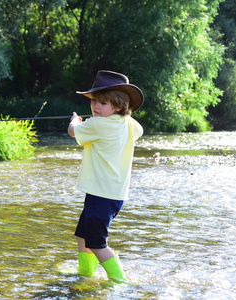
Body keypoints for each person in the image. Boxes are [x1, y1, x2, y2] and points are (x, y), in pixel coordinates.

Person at [67, 70, 144, 283]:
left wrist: (75, 120)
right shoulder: (129, 124)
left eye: (102, 103)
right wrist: (121, 115)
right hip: (113, 196)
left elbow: (73, 132)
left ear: (118, 106)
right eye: (94, 102)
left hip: (101, 194)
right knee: (83, 235)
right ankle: (86, 274)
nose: (95, 107)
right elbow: (139, 129)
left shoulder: (96, 124)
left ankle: (120, 280)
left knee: (96, 242)